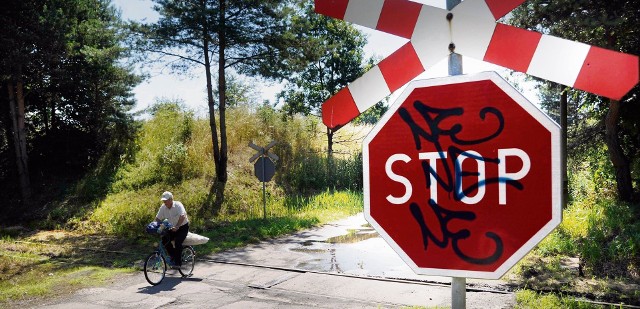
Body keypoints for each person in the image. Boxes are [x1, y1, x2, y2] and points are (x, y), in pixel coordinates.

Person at [155, 191, 189, 268]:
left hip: (182, 227)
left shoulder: (178, 205)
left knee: (177, 242)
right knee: (164, 240)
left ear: (171, 199)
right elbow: (157, 219)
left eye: (166, 200)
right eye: (163, 200)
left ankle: (178, 263)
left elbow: (182, 216)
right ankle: (173, 256)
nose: (164, 202)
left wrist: (177, 226)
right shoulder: (163, 207)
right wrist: (155, 226)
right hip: (171, 228)